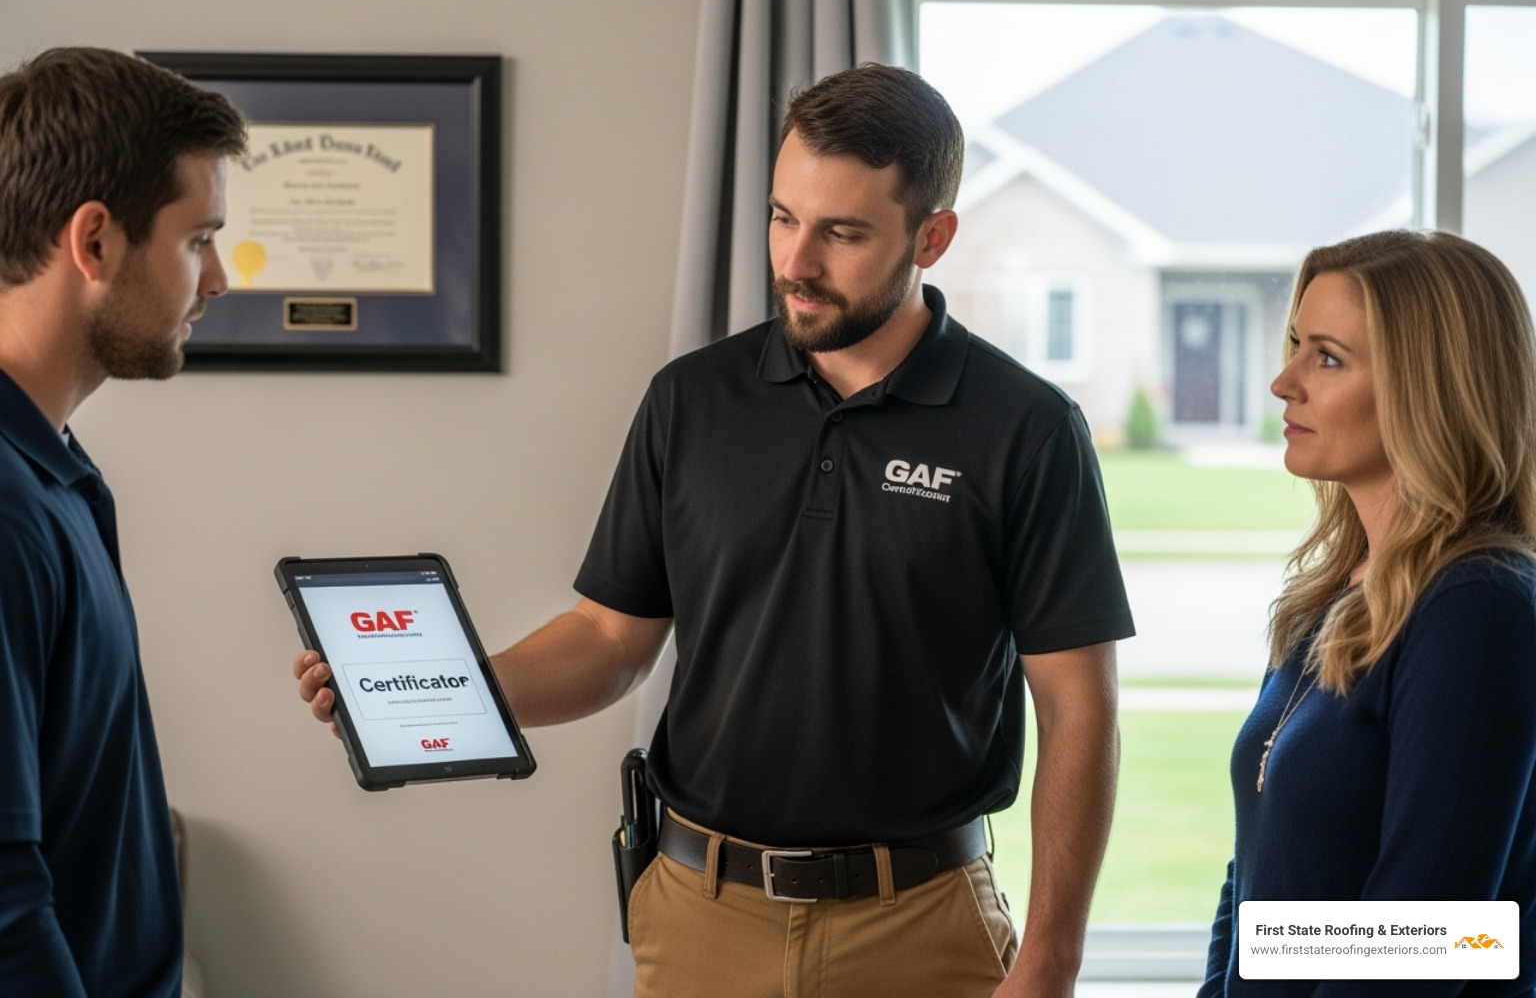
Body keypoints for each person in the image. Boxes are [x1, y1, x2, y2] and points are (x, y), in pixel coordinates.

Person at [297, 62, 1134, 998]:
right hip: (701, 917)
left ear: (931, 237)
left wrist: (1054, 955)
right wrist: (430, 693)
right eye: (783, 218)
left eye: (842, 233)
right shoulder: (689, 402)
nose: (797, 263)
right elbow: (610, 640)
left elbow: (1077, 706)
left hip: (921, 926)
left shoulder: (1026, 429)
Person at [1198, 230, 1536, 997]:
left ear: (1429, 388)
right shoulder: (1330, 595)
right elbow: (1254, 872)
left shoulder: (1476, 608)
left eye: (1327, 357)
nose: (1285, 382)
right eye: (1295, 346)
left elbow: (1427, 942)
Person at [0, 48, 244, 996]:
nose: (217, 279)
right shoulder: (9, 512)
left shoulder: (56, 475)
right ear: (94, 241)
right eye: (197, 240)